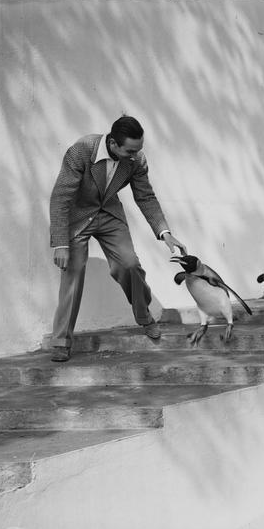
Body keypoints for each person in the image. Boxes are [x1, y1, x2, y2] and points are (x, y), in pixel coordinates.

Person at [49, 115, 187, 362]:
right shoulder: (82, 150)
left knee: (129, 264)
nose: (135, 155)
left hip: (109, 213)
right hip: (79, 216)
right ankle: (61, 342)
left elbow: (145, 196)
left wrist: (165, 234)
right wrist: (61, 243)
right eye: (131, 150)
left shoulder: (136, 159)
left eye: (139, 149)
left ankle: (144, 316)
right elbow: (60, 197)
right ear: (113, 143)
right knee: (73, 273)